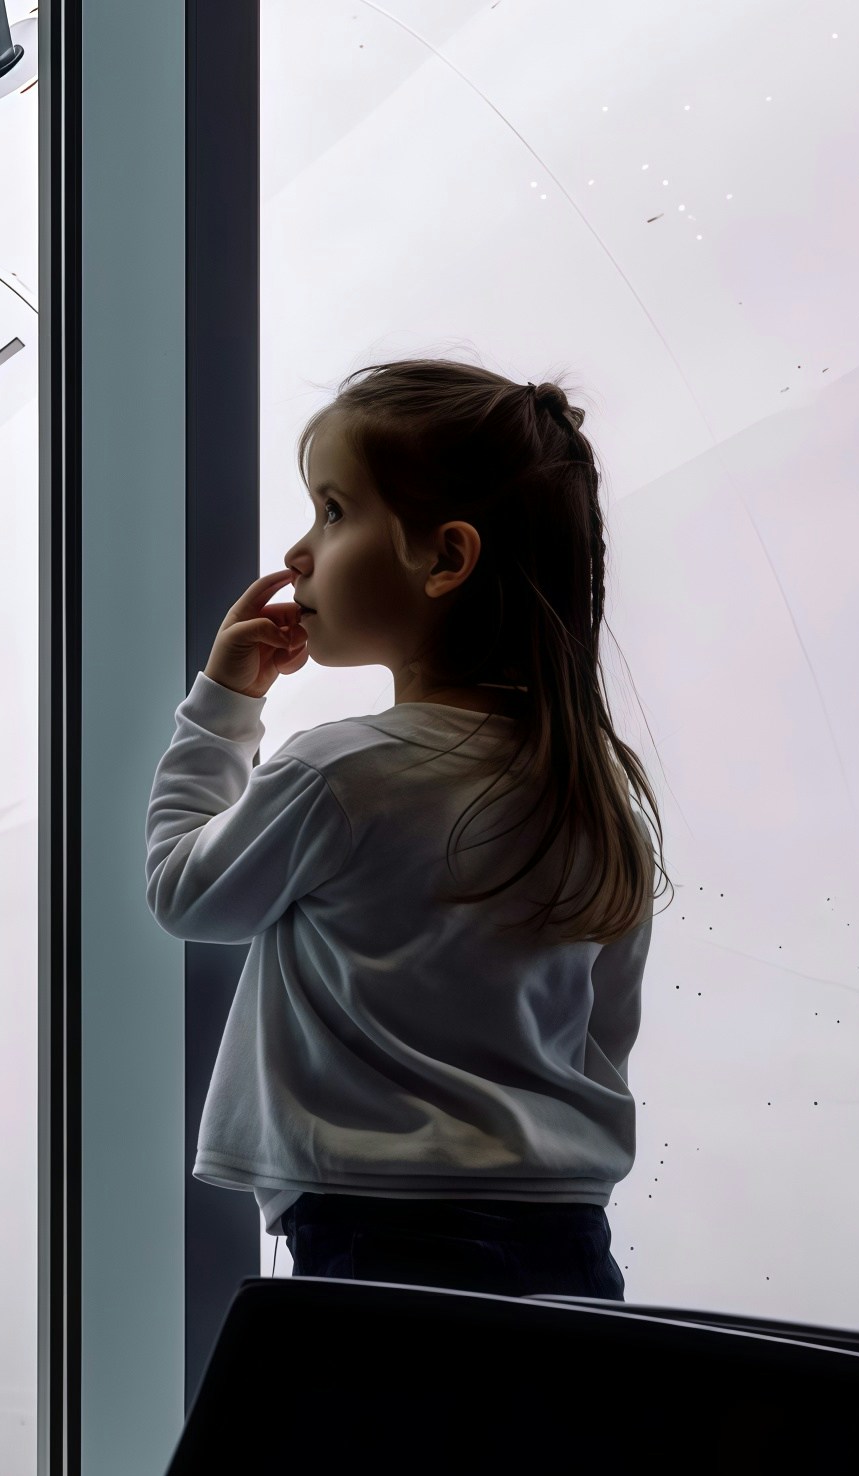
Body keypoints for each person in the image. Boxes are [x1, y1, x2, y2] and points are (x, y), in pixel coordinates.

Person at [148, 361, 658, 1300]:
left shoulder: (339, 773)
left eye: (334, 512)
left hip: (382, 1236)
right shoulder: (596, 803)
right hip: (570, 1240)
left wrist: (223, 707)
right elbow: (600, 1047)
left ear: (446, 560)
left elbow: (184, 890)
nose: (298, 554)